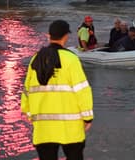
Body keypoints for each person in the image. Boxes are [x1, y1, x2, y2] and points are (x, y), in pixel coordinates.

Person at [21, 20, 94, 160]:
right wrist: (87, 117)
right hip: (70, 129)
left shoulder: (36, 59)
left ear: (49, 35)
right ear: (66, 36)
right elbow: (82, 91)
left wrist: (30, 114)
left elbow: (27, 91)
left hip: (43, 128)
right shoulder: (71, 59)